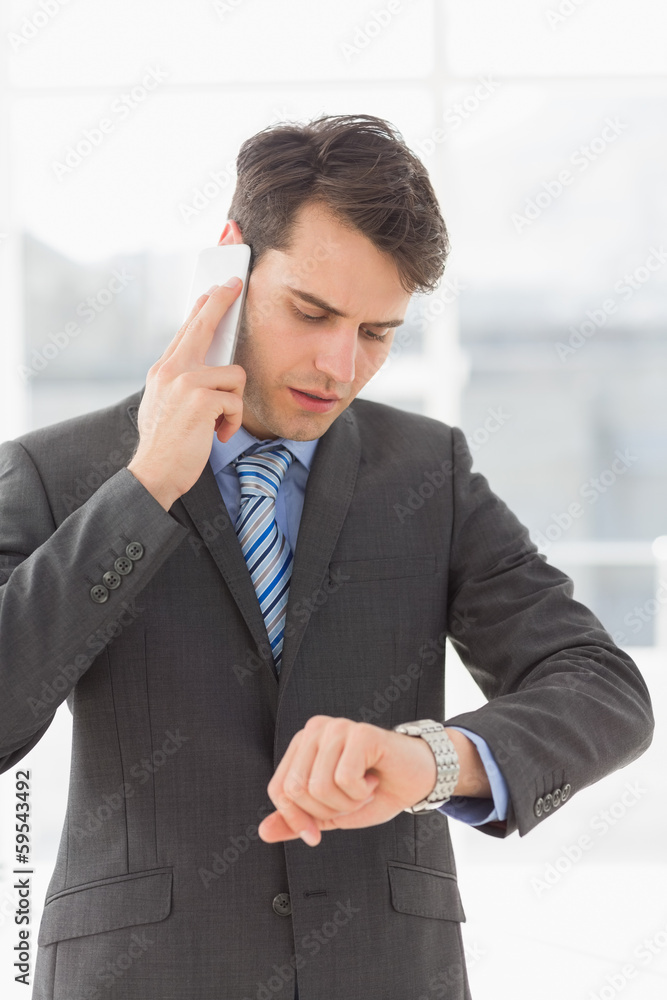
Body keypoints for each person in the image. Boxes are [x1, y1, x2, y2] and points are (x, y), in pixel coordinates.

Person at [0, 113, 653, 1000]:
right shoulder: (53, 473)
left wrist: (433, 762)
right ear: (230, 262)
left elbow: (599, 686)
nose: (338, 366)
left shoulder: (429, 471)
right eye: (310, 312)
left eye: (377, 333)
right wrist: (147, 483)